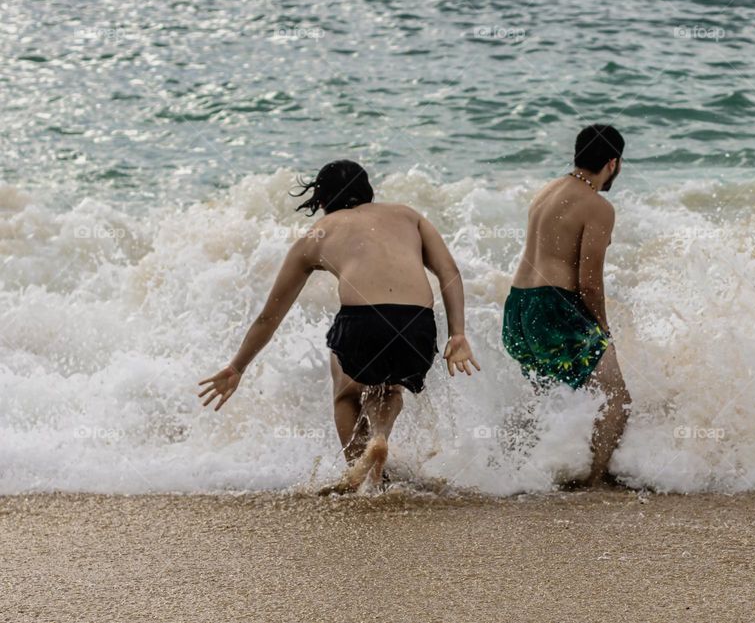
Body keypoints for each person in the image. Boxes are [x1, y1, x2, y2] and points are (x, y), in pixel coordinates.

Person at [197, 160, 480, 492]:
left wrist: (237, 366)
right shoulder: (409, 216)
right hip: (416, 325)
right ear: (369, 192)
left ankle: (358, 474)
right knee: (390, 386)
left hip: (362, 323)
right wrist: (457, 333)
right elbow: (449, 273)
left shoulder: (316, 235)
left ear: (320, 201)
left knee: (346, 390)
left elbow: (270, 316)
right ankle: (378, 438)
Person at [502, 124, 632, 486]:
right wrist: (603, 329)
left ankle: (509, 472)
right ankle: (592, 482)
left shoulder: (547, 191)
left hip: (518, 308)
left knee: (548, 398)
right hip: (552, 307)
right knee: (617, 399)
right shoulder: (598, 207)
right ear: (613, 163)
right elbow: (589, 282)